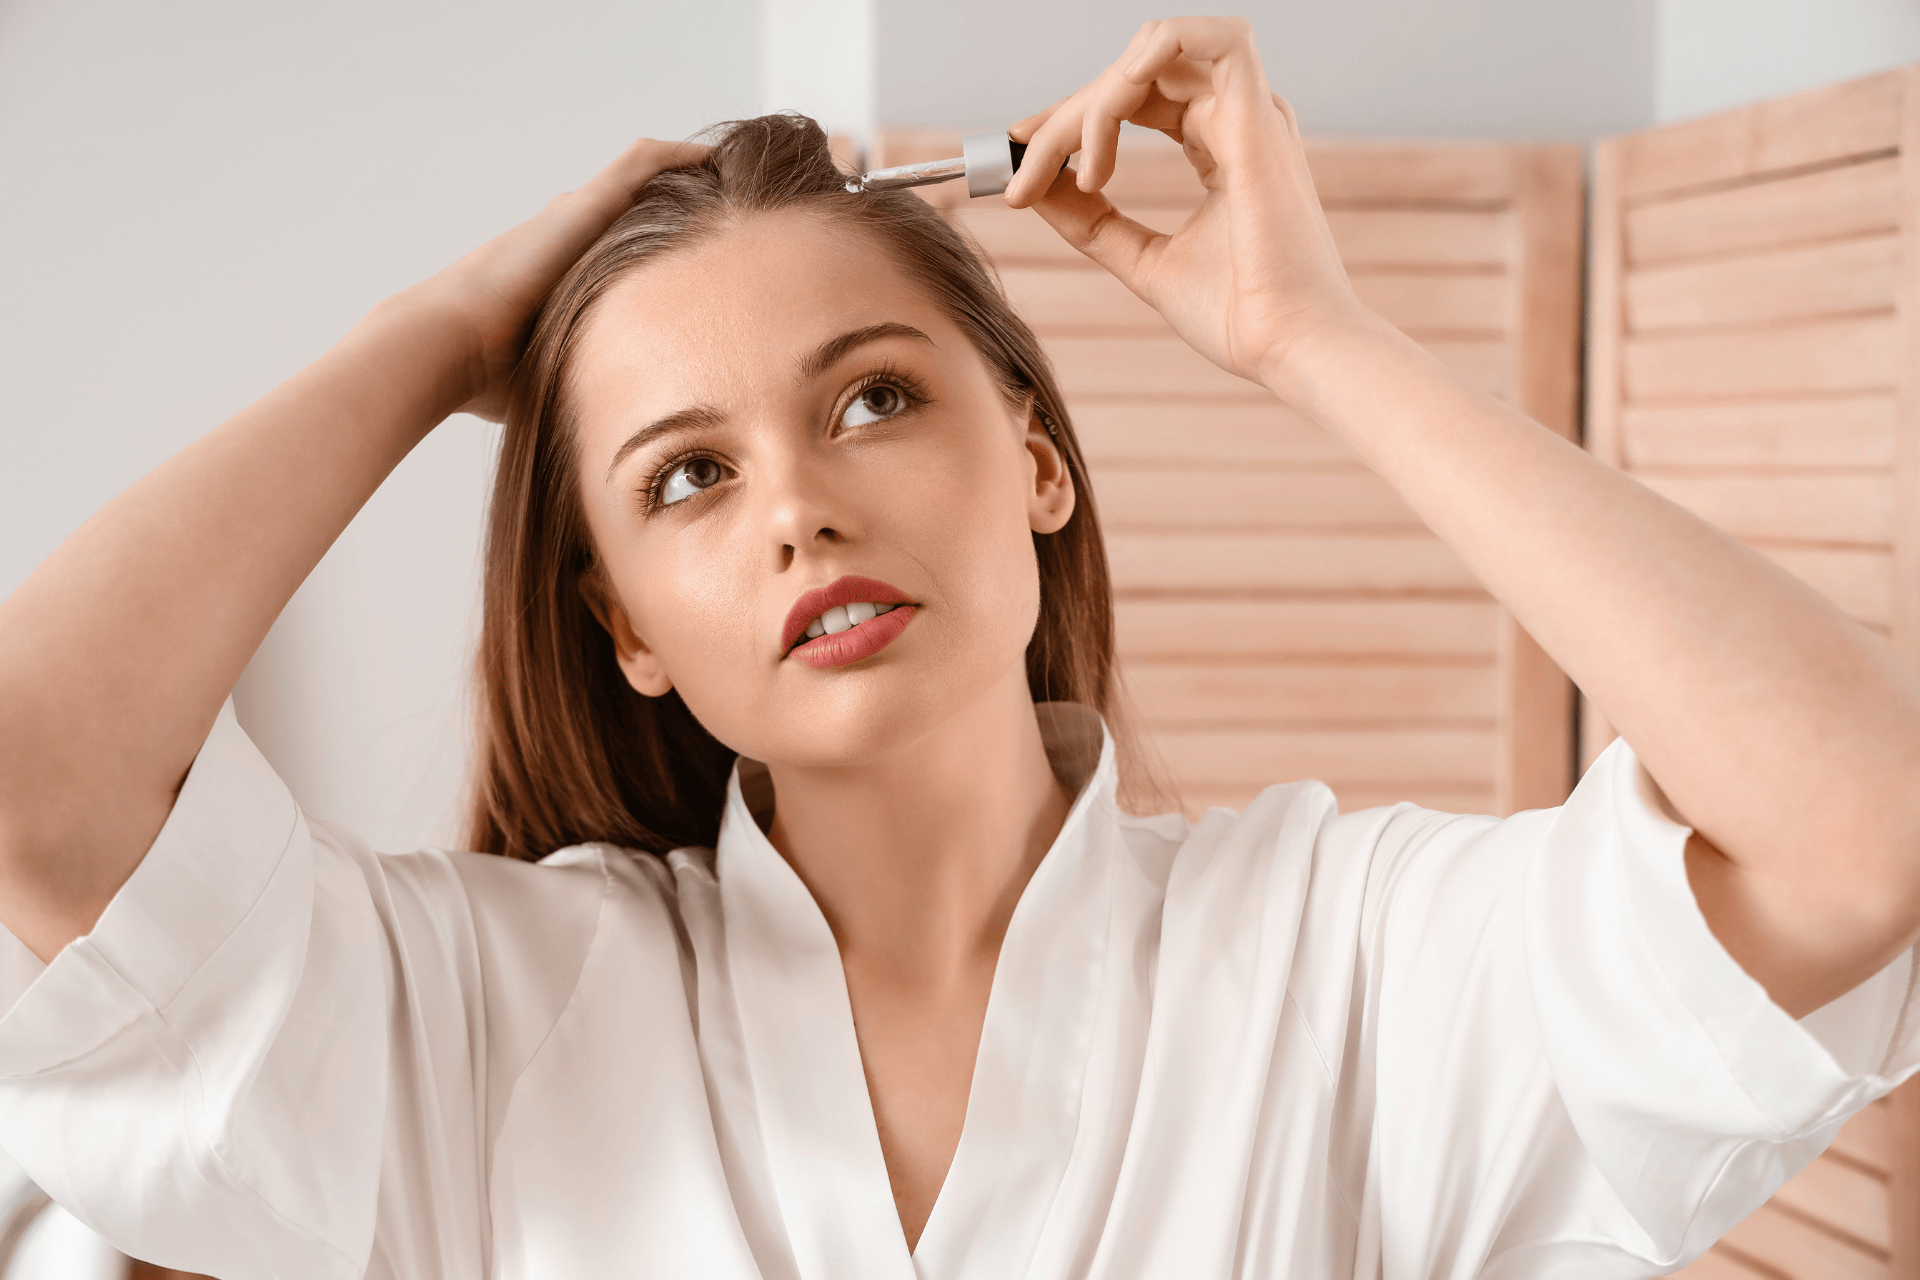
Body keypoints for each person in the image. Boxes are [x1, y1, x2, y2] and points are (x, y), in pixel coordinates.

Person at [1, 16, 1917, 1279]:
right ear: (628, 633)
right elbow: (36, 776)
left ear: (1039, 466)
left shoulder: (1344, 964)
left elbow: (1861, 828)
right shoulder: (479, 1017)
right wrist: (432, 338)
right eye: (685, 477)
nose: (796, 510)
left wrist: (1309, 337)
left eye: (872, 400)